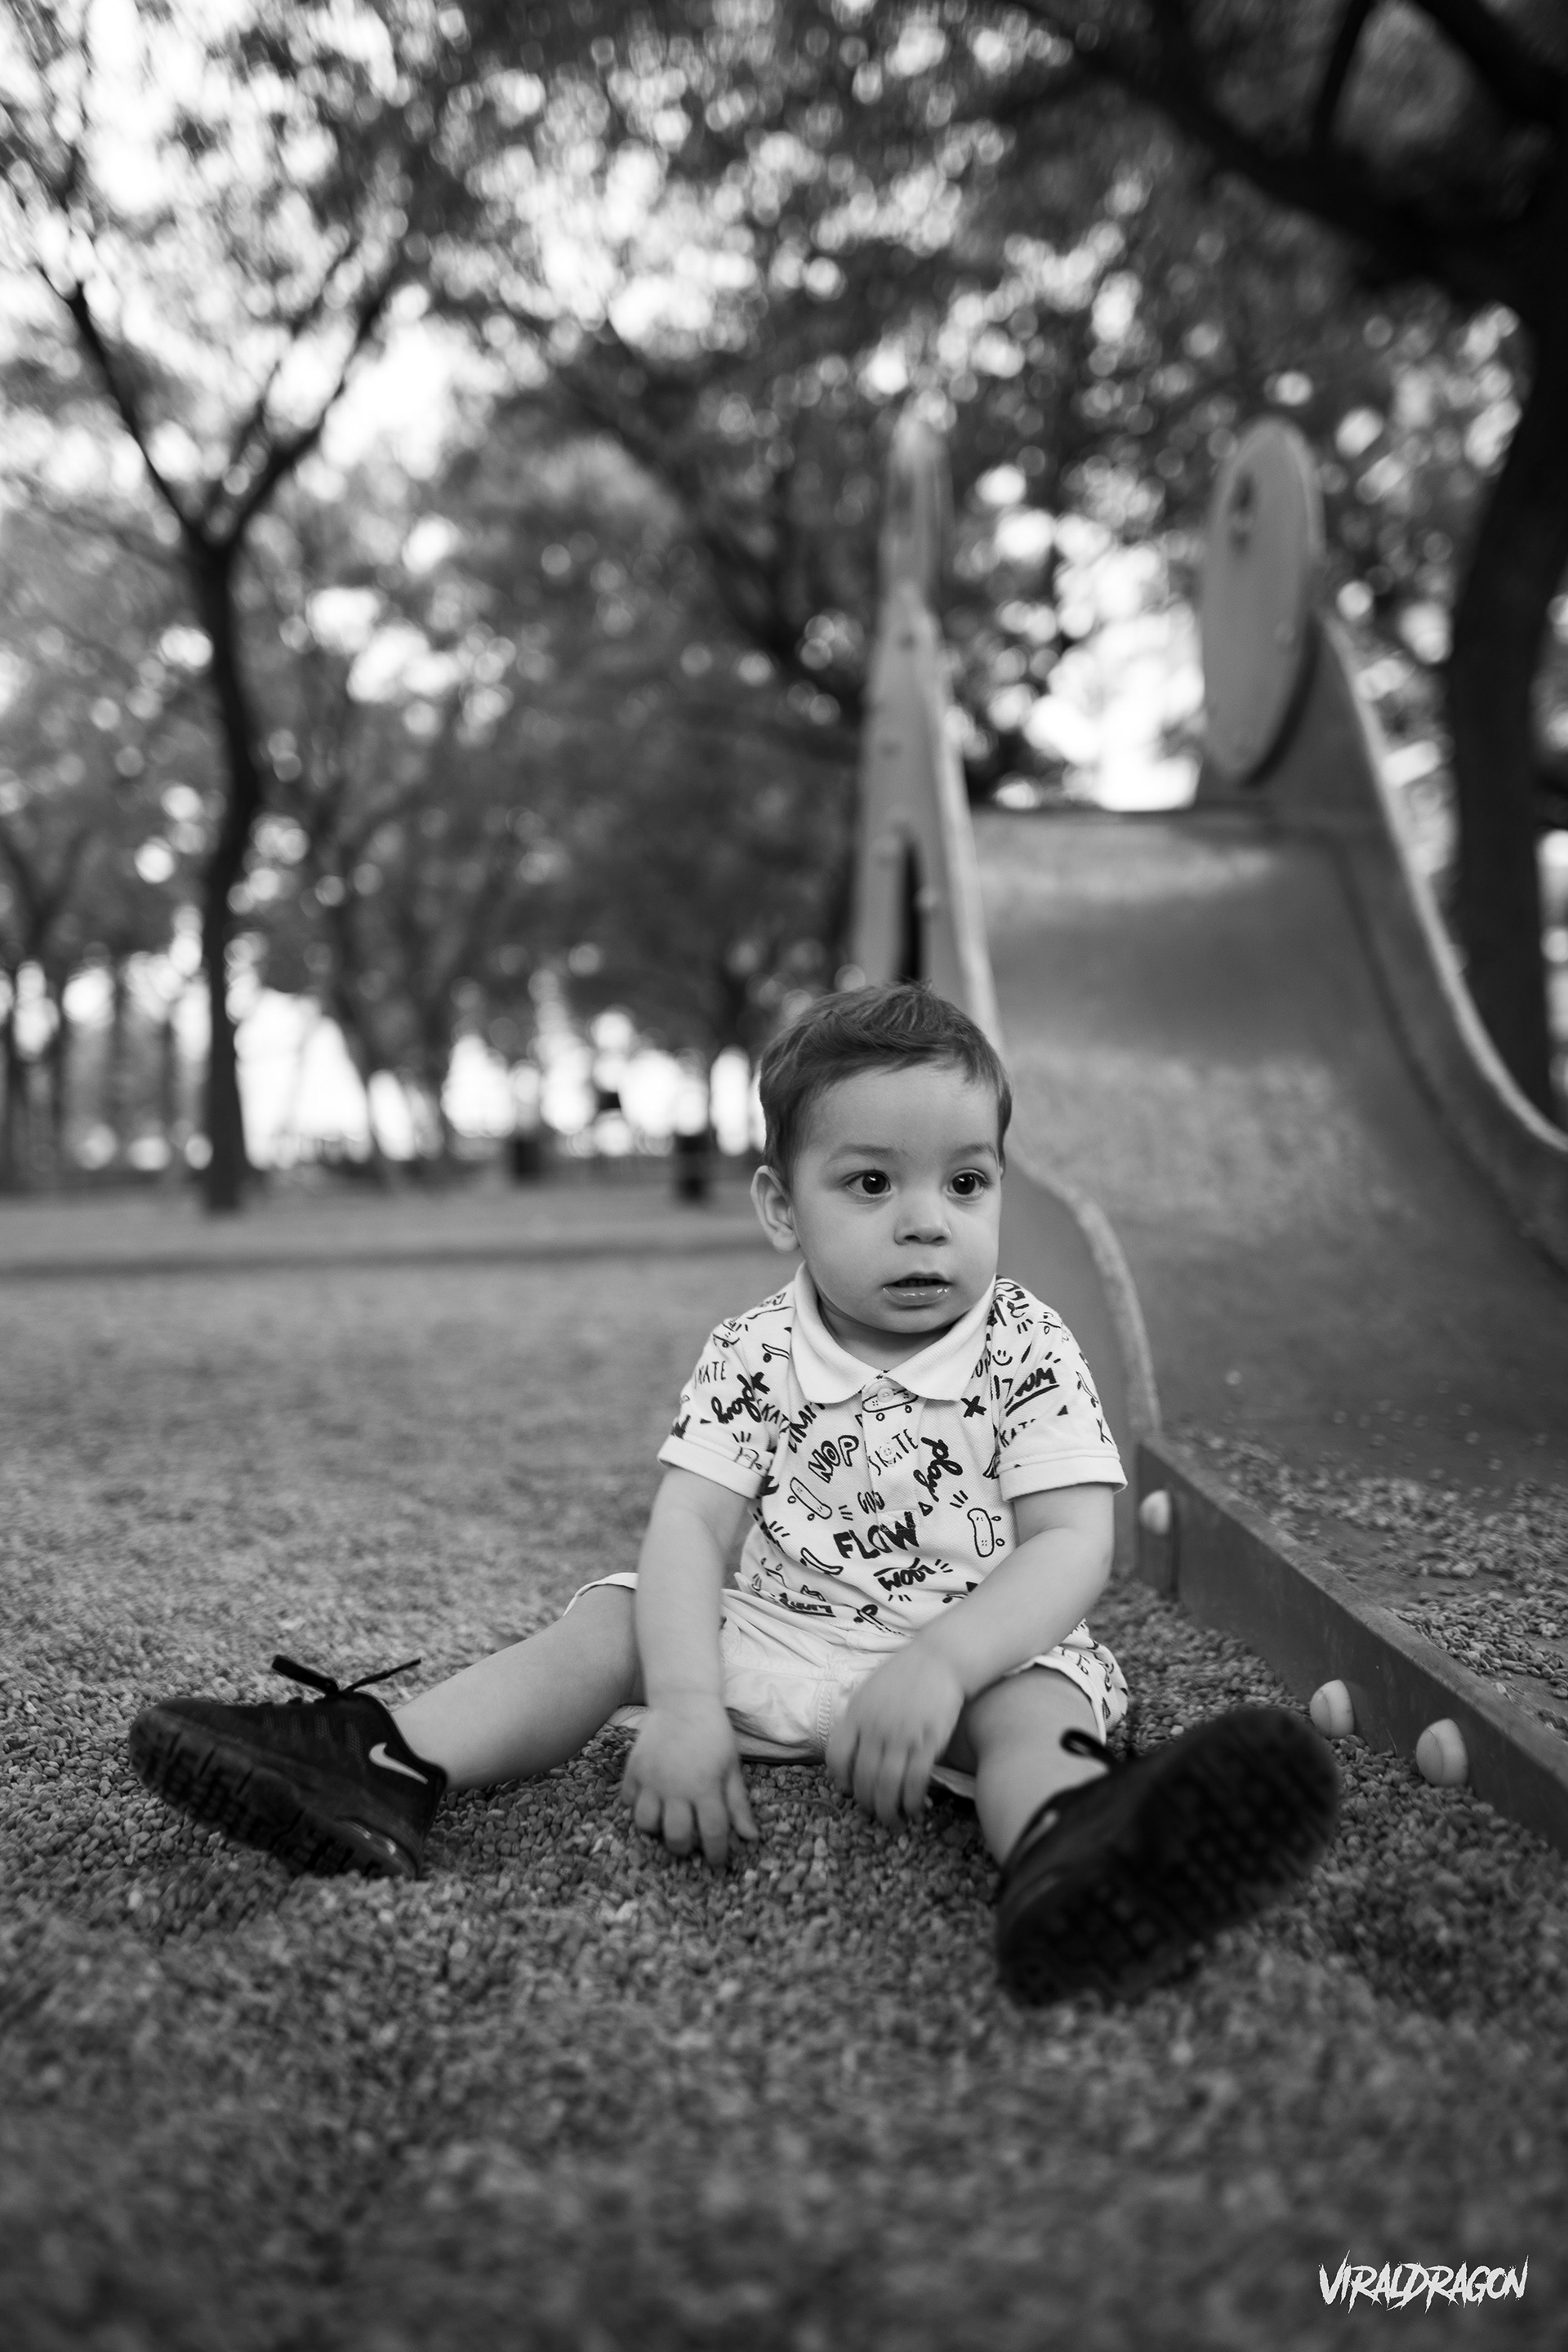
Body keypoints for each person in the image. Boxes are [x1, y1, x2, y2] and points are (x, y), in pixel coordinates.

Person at [129, 984, 1337, 2003]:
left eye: (967, 1183)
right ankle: (387, 1767)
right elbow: (690, 1527)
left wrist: (943, 1663)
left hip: (971, 1664)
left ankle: (1076, 1862)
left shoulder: (1026, 1343)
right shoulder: (756, 1351)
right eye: (872, 1184)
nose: (927, 1224)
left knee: (1038, 1717)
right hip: (776, 1636)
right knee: (611, 1620)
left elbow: (1073, 1543)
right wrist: (688, 1703)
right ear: (781, 1208)